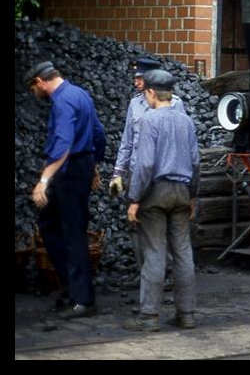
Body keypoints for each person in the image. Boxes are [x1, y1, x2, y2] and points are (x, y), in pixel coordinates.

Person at [24, 61, 107, 319]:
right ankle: (72, 286)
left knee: (72, 233)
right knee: (49, 226)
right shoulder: (80, 94)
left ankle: (84, 300)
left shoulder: (61, 103)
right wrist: (94, 165)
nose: (33, 94)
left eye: (33, 88)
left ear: (40, 82)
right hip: (81, 166)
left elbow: (63, 145)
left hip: (68, 171)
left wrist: (44, 181)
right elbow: (98, 132)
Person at [124, 69, 200, 332]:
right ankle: (187, 315)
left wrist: (134, 199)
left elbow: (144, 165)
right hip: (181, 192)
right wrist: (192, 196)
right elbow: (195, 162)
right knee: (183, 252)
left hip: (156, 193)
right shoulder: (186, 121)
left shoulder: (149, 120)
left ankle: (148, 317)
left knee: (154, 253)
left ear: (152, 92)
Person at [109, 57, 186, 287]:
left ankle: (167, 271)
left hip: (160, 174)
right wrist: (118, 173)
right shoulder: (135, 104)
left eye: (140, 78)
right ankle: (144, 271)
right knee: (136, 225)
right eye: (135, 78)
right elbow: (127, 141)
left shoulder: (176, 104)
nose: (136, 82)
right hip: (137, 173)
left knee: (160, 226)